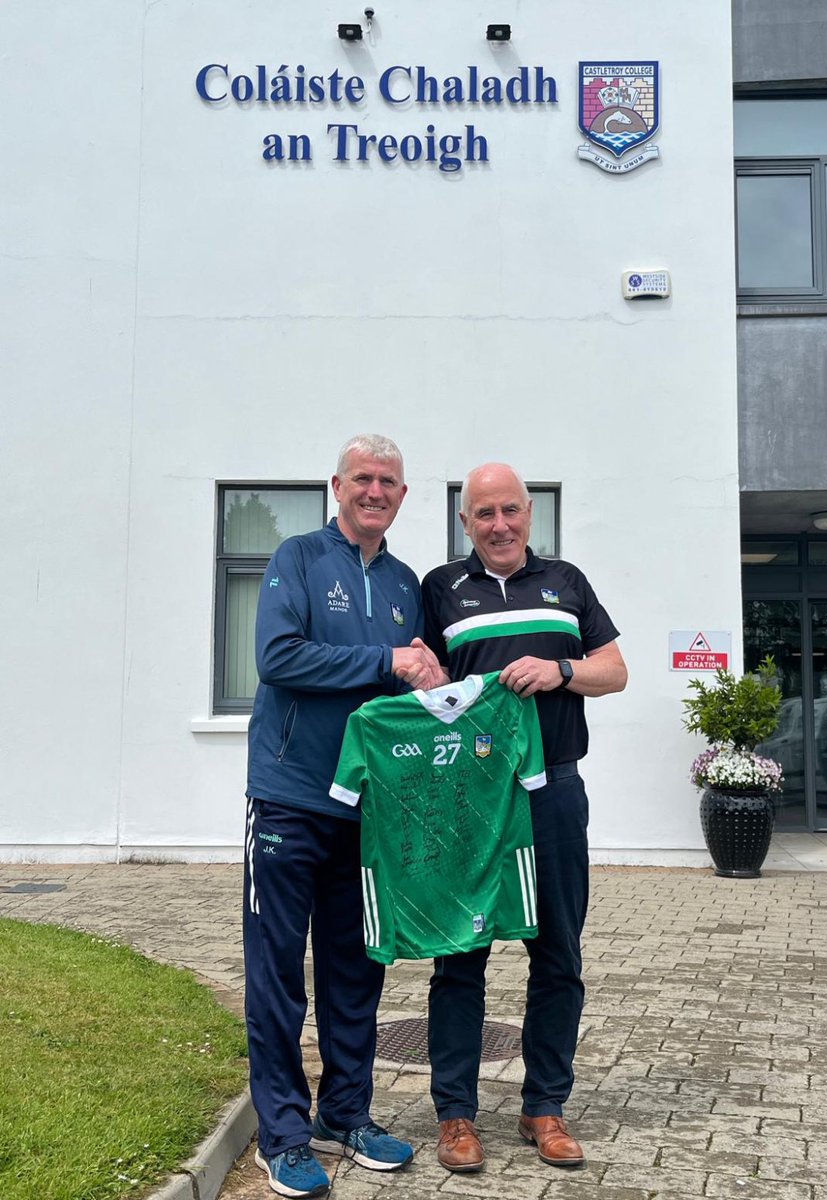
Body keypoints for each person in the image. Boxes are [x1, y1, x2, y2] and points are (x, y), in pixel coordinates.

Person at [244, 434, 442, 1198]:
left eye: (388, 481)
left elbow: (412, 690)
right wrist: (386, 662)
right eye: (363, 478)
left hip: (369, 805)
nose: (374, 490)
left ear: (401, 495)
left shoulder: (403, 584)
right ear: (337, 486)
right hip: (290, 796)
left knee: (356, 969)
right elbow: (277, 657)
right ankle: (283, 1133)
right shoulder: (295, 558)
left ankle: (345, 1114)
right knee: (276, 975)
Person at [420, 462, 628, 1173]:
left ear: (529, 513)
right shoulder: (439, 589)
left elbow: (615, 669)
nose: (499, 524)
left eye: (510, 510)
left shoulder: (566, 582)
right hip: (470, 799)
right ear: (465, 521)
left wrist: (560, 670)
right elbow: (427, 683)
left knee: (558, 953)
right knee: (460, 954)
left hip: (554, 794)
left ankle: (544, 1106)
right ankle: (454, 1115)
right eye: (485, 514)